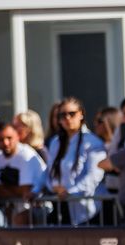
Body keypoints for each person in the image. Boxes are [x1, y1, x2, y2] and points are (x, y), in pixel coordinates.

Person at [44, 96, 109, 225]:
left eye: (72, 114)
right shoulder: (56, 142)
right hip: (63, 207)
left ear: (81, 115)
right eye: (63, 115)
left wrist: (70, 192)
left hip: (88, 210)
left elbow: (95, 176)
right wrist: (54, 187)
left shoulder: (92, 142)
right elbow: (49, 172)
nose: (67, 118)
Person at [0, 122, 46, 225]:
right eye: (1, 139)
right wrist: (16, 191)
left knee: (20, 219)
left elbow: (25, 190)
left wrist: (7, 189)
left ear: (17, 136)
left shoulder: (26, 155)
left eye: (9, 138)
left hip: (40, 208)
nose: (6, 143)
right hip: (14, 208)